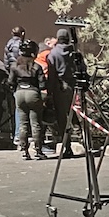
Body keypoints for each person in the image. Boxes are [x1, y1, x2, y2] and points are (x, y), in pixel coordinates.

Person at [9, 41, 46, 159]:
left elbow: (10, 82)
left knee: (22, 123)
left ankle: (24, 150)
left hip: (19, 93)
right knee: (36, 123)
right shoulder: (36, 66)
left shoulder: (15, 66)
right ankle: (38, 150)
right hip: (33, 93)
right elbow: (43, 85)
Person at [46, 28, 79, 157]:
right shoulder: (74, 51)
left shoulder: (53, 54)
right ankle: (85, 139)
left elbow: (52, 75)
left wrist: (50, 92)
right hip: (75, 85)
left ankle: (68, 145)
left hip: (60, 87)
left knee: (62, 118)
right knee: (78, 114)